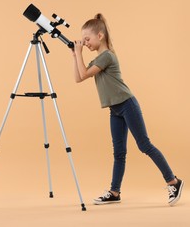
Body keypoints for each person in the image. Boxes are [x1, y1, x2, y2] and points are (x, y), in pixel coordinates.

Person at [71, 13, 184, 206]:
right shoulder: (98, 59)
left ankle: (173, 181)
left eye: (87, 39)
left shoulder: (106, 56)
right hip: (115, 109)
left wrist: (79, 53)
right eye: (83, 41)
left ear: (100, 36)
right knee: (119, 152)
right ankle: (115, 192)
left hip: (127, 105)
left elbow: (83, 73)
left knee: (144, 145)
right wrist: (75, 55)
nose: (85, 43)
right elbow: (79, 77)